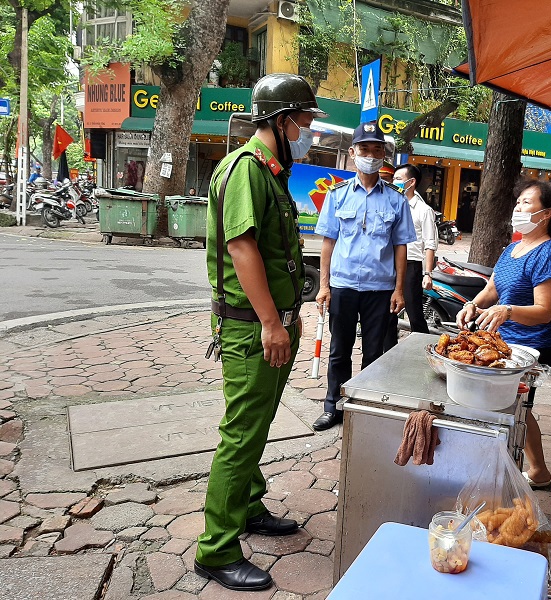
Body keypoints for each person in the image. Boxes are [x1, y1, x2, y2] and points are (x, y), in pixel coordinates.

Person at [194, 73, 328, 592]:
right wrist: (273, 323)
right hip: (253, 330)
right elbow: (242, 249)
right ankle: (216, 549)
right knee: (242, 434)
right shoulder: (246, 169)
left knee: (258, 423)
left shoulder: (269, 171)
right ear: (281, 119)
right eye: (306, 120)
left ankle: (247, 508)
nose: (309, 129)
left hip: (270, 325)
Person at [456, 178, 551, 488]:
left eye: (527, 203)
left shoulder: (549, 253)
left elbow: (544, 311)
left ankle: (527, 470)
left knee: (512, 405)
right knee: (507, 404)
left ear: (547, 213)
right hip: (506, 339)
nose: (519, 208)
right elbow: (494, 288)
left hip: (533, 344)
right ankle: (531, 469)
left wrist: (506, 310)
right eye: (519, 202)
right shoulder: (513, 247)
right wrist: (473, 305)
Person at [312, 121, 417, 431]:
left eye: (377, 149)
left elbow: (401, 248)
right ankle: (334, 406)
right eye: (365, 149)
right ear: (353, 153)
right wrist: (323, 285)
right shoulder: (337, 195)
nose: (371, 155)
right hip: (343, 287)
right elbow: (328, 242)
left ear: (383, 155)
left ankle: (364, 406)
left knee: (374, 353)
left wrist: (399, 290)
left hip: (380, 290)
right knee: (338, 351)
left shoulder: (397, 200)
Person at [384, 163, 438, 350]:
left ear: (411, 182)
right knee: (388, 312)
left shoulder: (423, 211)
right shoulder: (391, 205)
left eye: (398, 179)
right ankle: (389, 352)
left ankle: (422, 352)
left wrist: (427, 273)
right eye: (394, 179)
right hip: (389, 264)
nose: (394, 182)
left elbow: (429, 244)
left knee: (414, 313)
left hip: (412, 265)